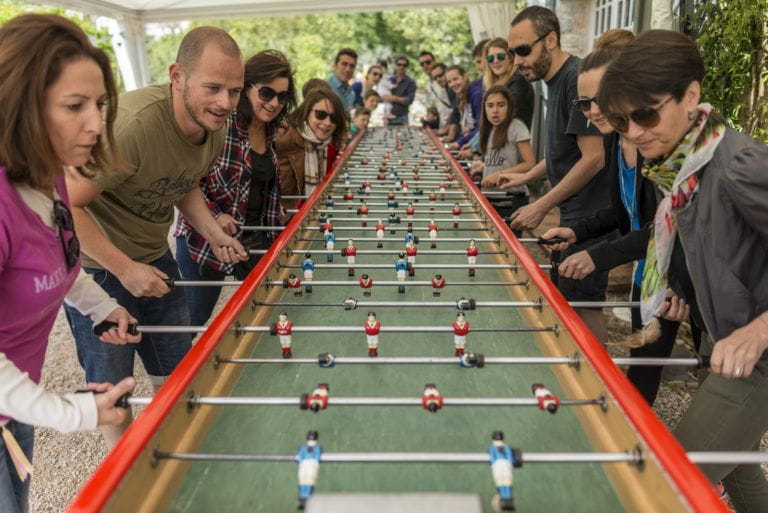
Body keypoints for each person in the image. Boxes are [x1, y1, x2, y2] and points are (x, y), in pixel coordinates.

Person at [599, 30, 768, 509]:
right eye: (621, 120)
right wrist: (686, 288)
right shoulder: (687, 165)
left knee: (670, 481)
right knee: (739, 466)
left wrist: (757, 331)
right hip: (733, 339)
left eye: (646, 113)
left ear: (691, 95)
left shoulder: (738, 164)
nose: (633, 131)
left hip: (759, 356)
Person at [64, 26, 247, 448]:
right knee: (113, 389)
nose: (225, 103)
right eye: (214, 87)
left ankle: (174, 457)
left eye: (234, 91)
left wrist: (213, 232)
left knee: (177, 370)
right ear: (177, 76)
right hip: (98, 273)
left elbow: (183, 182)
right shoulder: (131, 127)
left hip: (154, 261)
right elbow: (66, 207)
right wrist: (124, 269)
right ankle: (123, 478)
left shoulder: (213, 124)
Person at [0, 14, 142, 512]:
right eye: (74, 106)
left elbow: (58, 263)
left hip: (13, 402)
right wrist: (71, 411)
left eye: (99, 104)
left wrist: (102, 307)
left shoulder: (49, 174)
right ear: (22, 107)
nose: (96, 123)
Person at [539, 32, 678, 406]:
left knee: (646, 379)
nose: (592, 111)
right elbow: (624, 215)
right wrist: (576, 230)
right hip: (647, 274)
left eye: (599, 99)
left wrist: (596, 256)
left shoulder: (658, 146)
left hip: (679, 273)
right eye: (583, 104)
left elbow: (665, 230)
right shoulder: (616, 141)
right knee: (642, 372)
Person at [505, 6, 611, 342]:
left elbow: (593, 158)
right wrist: (524, 177)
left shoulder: (574, 79)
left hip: (591, 217)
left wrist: (540, 206)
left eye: (523, 50)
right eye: (513, 53)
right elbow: (562, 150)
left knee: (584, 306)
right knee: (566, 303)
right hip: (574, 215)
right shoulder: (556, 81)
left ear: (550, 39)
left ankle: (602, 389)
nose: (517, 61)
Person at [175, 49, 297, 327]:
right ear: (245, 89)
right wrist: (216, 215)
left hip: (254, 237)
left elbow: (258, 184)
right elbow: (185, 181)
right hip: (203, 238)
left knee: (265, 308)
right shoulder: (221, 125)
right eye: (267, 93)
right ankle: (173, 369)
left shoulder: (270, 130)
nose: (275, 102)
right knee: (195, 317)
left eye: (283, 96)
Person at [469, 85, 535, 225]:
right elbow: (499, 160)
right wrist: (483, 167)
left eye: (501, 105)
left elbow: (529, 163)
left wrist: (499, 175)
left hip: (511, 197)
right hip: (490, 195)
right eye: (490, 105)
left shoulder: (516, 127)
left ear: (509, 107)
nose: (495, 111)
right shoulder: (489, 129)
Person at [277, 87, 347, 208]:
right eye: (321, 115)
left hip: (298, 217)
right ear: (307, 112)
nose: (327, 123)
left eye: (334, 118)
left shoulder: (323, 145)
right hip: (279, 219)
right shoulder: (283, 135)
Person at [482, 37, 534, 130]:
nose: (495, 61)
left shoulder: (518, 81)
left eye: (500, 56)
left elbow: (506, 119)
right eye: (490, 58)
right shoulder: (497, 84)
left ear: (510, 58)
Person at [445, 66, 483, 148]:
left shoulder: (476, 95)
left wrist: (460, 142)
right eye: (449, 82)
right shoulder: (462, 95)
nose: (452, 84)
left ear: (465, 77)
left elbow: (482, 128)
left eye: (455, 79)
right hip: (470, 143)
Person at [381, 56, 416, 126]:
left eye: (404, 65)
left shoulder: (410, 82)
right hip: (388, 116)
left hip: (402, 117)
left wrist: (393, 98)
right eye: (399, 64)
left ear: (407, 67)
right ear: (395, 66)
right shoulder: (389, 80)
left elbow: (409, 100)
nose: (401, 67)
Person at [429, 63, 459, 140]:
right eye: (435, 78)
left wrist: (450, 135)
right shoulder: (448, 89)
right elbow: (454, 110)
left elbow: (457, 111)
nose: (438, 79)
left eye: (440, 75)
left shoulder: (452, 88)